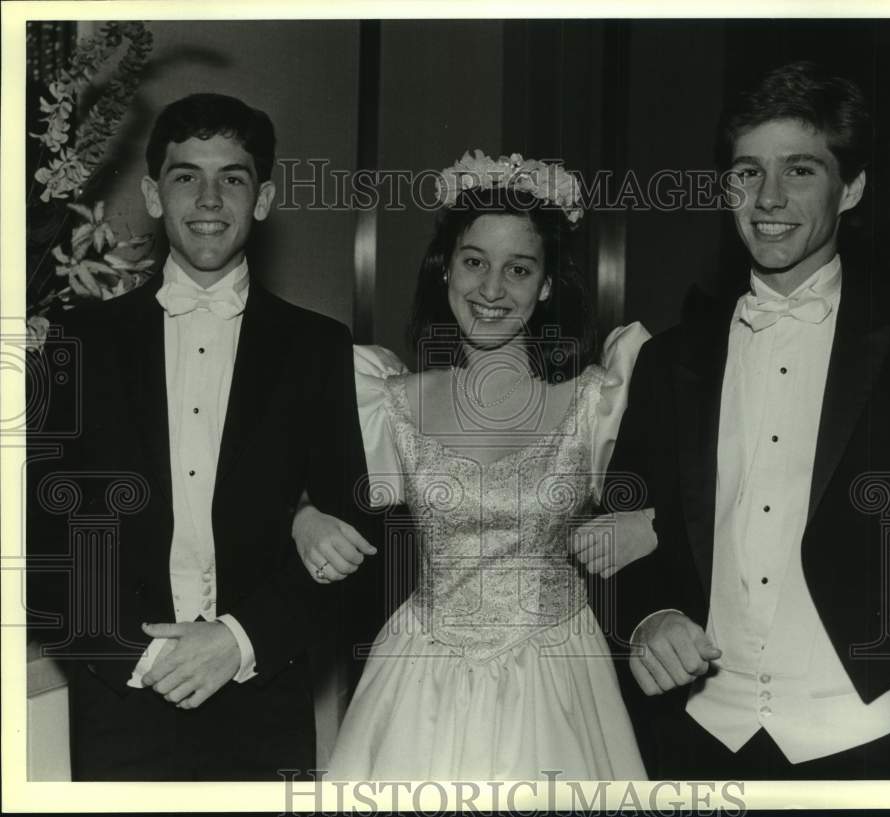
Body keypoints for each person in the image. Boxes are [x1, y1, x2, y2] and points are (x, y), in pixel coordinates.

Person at [608, 61, 890, 779]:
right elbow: (623, 527)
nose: (768, 198)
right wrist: (647, 617)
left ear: (854, 187)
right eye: (747, 172)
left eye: (800, 171)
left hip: (873, 736)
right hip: (696, 738)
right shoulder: (668, 359)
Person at [26, 93, 370, 780]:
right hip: (120, 699)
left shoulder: (316, 346)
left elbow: (352, 537)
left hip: (262, 701)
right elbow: (41, 529)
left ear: (264, 198)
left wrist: (240, 640)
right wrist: (140, 655)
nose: (209, 198)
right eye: (187, 176)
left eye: (233, 178)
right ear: (154, 195)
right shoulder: (78, 340)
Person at [292, 151, 651, 780]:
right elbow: (273, 473)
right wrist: (301, 516)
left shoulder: (598, 402)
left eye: (518, 269)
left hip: (559, 675)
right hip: (419, 676)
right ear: (445, 272)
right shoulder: (386, 397)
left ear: (544, 286)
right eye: (474, 262)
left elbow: (706, 489)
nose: (491, 289)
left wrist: (654, 522)